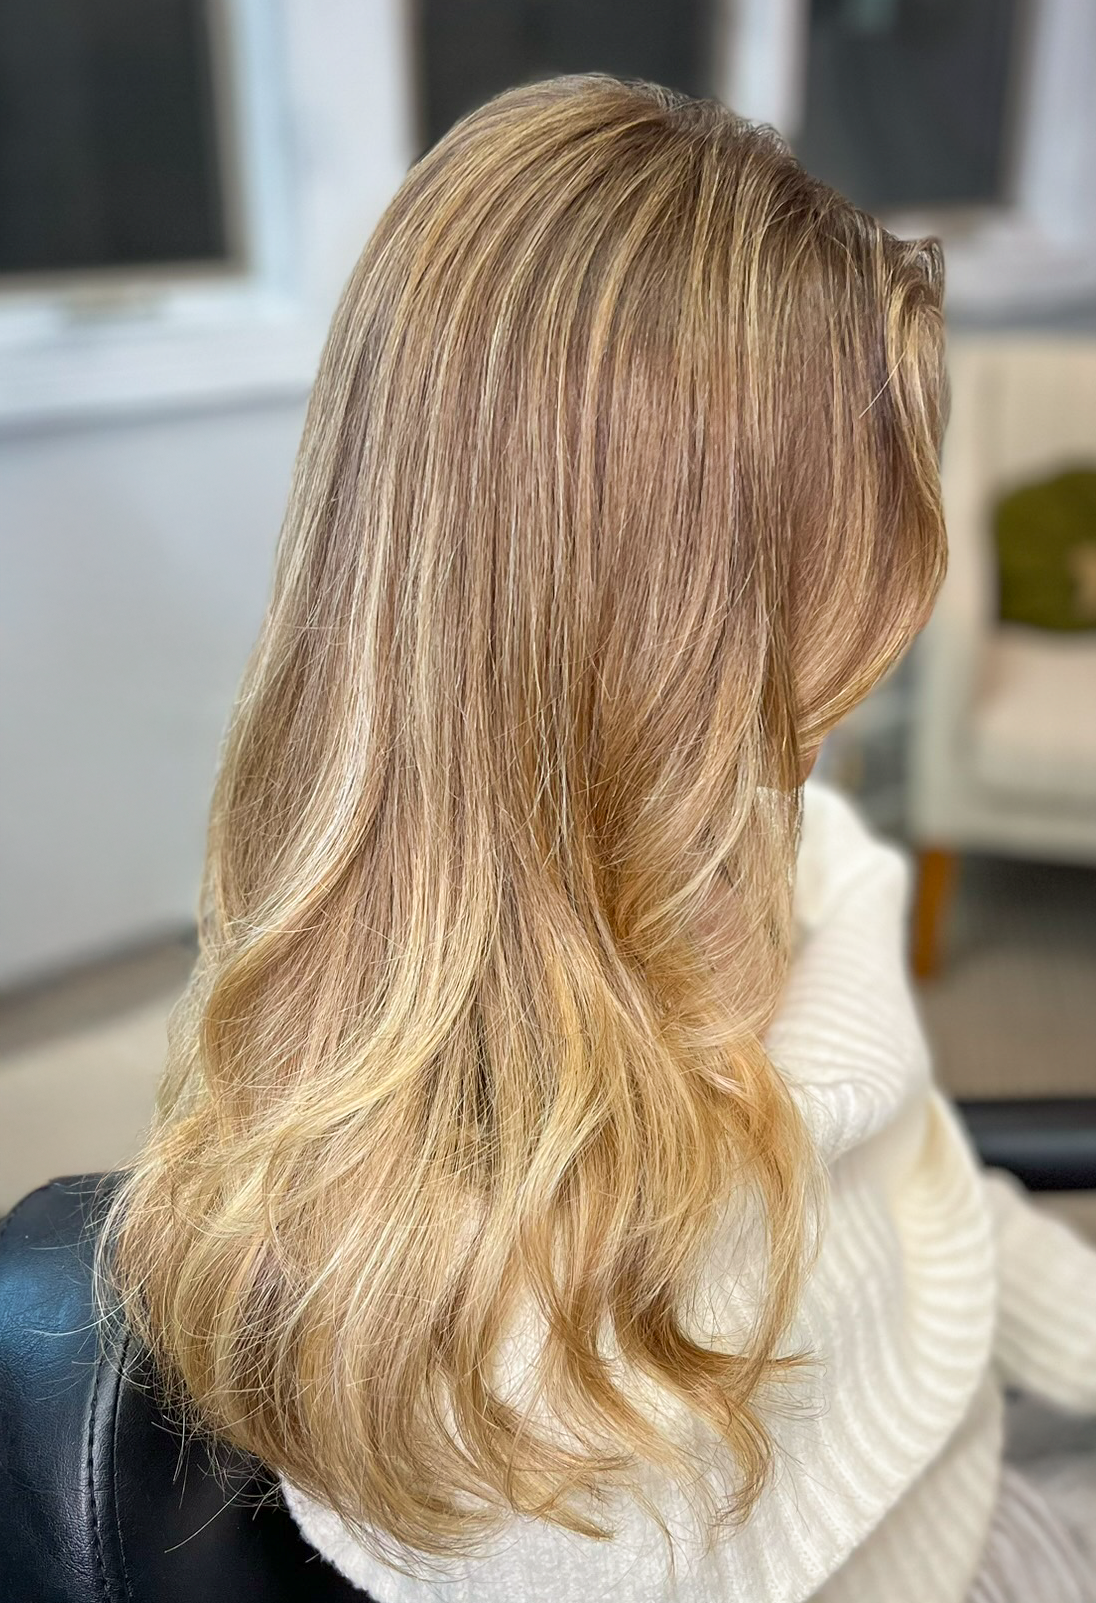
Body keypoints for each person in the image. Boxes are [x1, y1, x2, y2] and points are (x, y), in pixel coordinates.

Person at [100, 75, 1096, 1602]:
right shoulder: (480, 1356)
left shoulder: (774, 842)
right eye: (839, 577)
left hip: (983, 1457)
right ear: (657, 616)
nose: (880, 646)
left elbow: (928, 1184)